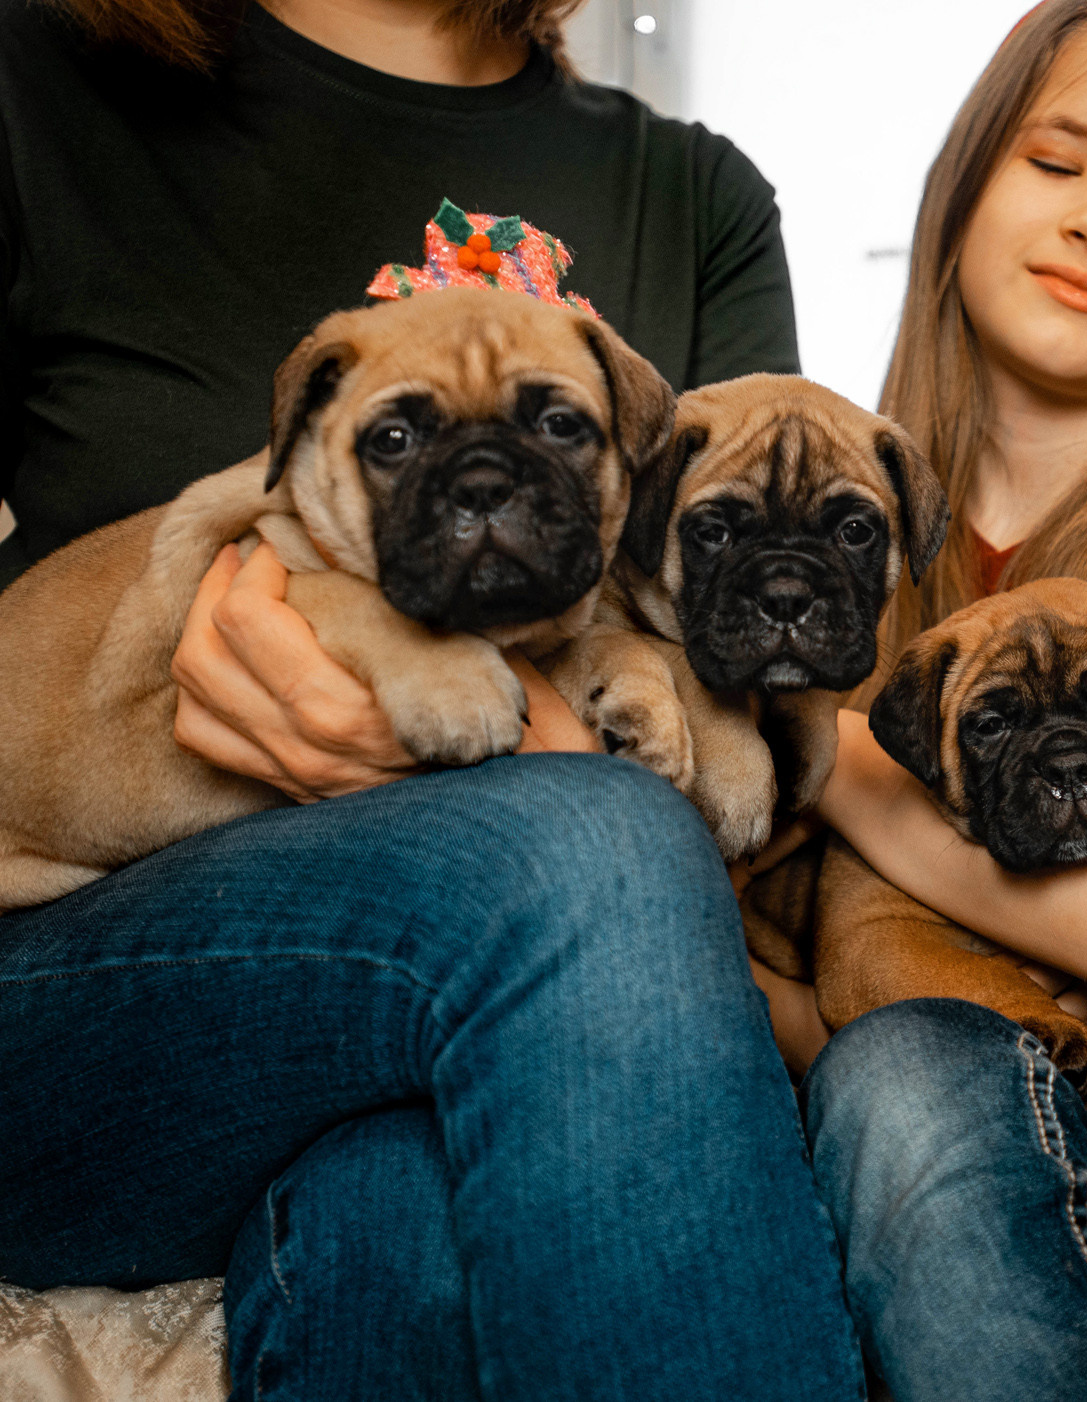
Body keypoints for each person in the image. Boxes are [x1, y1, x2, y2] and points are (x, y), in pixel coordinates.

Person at [0, 0, 862, 1396]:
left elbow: (732, 623)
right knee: (589, 838)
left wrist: (550, 737)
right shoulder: (36, 79)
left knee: (405, 1213)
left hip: (466, 997)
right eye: (402, 441)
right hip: (68, 971)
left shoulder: (695, 197)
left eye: (551, 428)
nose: (476, 480)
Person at [733, 3, 1087, 1399]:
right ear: (960, 195)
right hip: (869, 1093)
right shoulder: (833, 519)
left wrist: (829, 755)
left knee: (912, 1078)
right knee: (893, 1076)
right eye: (1056, 164)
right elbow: (786, 976)